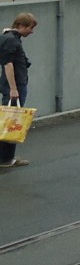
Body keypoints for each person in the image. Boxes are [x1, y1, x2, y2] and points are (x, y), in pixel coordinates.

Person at [0, 12, 37, 169]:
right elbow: (8, 65)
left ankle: (7, 157)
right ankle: (6, 158)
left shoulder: (10, 38)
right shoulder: (11, 40)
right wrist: (14, 89)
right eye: (30, 28)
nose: (31, 31)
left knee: (10, 120)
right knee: (12, 121)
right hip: (15, 87)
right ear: (21, 25)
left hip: (15, 85)